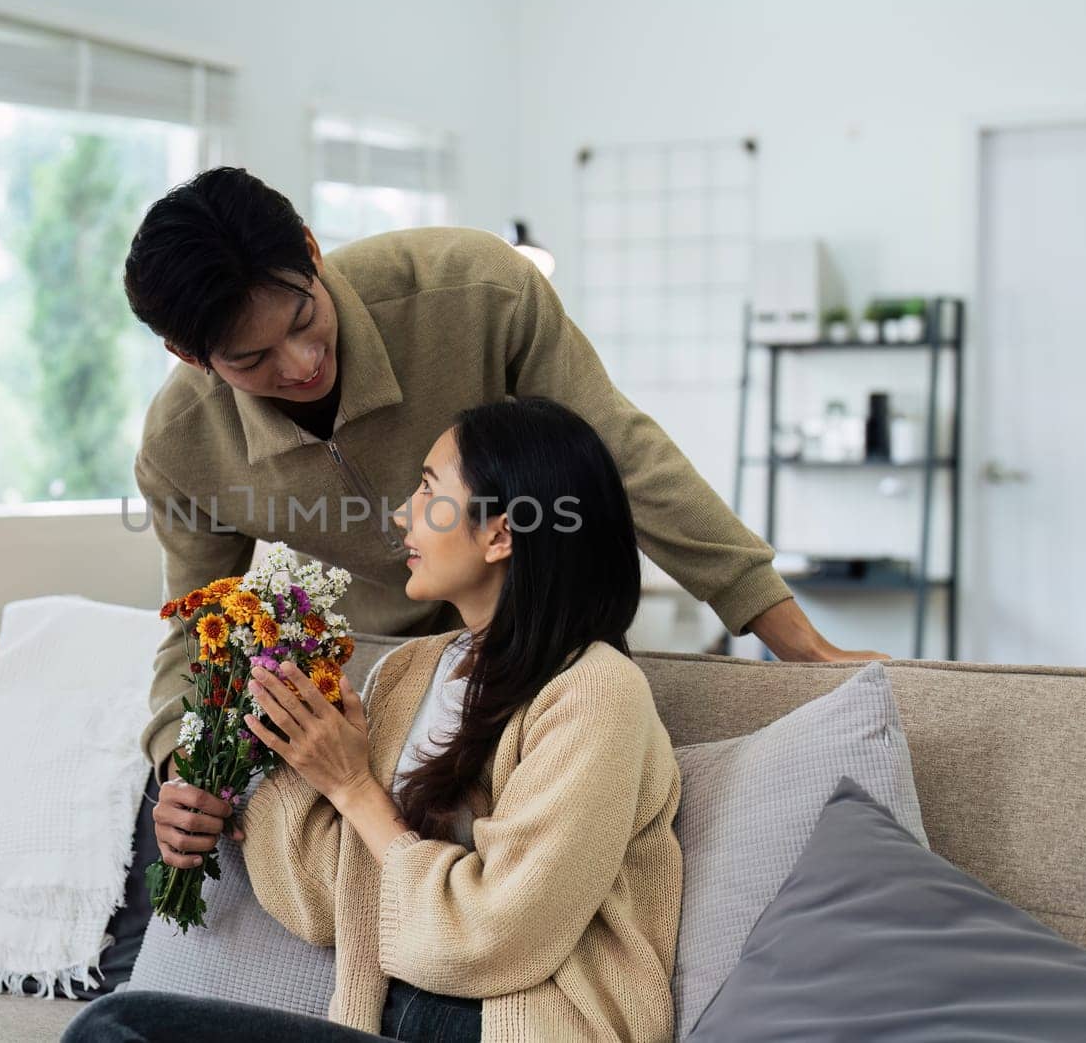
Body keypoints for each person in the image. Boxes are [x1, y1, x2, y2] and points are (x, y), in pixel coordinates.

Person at [107, 166, 880, 994]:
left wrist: (792, 637)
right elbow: (197, 623)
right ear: (190, 356)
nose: (302, 364)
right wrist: (182, 765)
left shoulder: (472, 292)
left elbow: (623, 455)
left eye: (306, 319)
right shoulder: (183, 442)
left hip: (531, 651)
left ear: (311, 251)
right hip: (391, 686)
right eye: (253, 358)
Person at [66, 398, 682, 1041]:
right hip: (380, 1019)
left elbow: (496, 937)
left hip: (518, 1027)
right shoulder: (410, 673)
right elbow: (329, 904)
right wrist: (244, 784)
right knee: (116, 1030)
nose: (400, 514)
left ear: (500, 534)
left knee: (116, 1029)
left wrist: (354, 788)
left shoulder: (598, 694)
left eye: (427, 489)